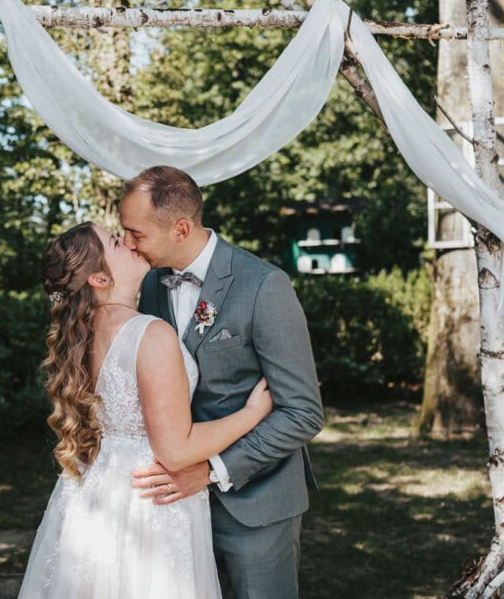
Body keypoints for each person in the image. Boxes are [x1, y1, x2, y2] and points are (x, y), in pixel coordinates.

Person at [18, 221, 274, 598]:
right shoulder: (149, 333)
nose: (131, 244)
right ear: (100, 280)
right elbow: (175, 449)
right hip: (150, 502)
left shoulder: (85, 335)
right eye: (117, 242)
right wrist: (252, 413)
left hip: (98, 491)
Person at [120, 166, 324, 599]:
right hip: (176, 509)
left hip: (256, 505)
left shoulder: (264, 285)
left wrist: (211, 471)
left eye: (135, 234)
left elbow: (303, 412)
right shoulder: (151, 284)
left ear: (179, 228)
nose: (127, 245)